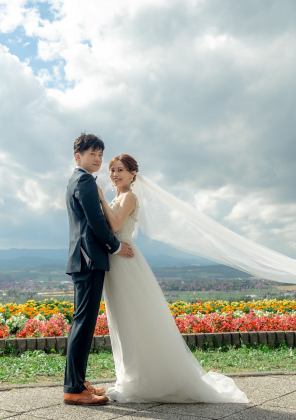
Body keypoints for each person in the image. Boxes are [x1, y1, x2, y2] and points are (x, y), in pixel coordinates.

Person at [96, 154, 248, 403]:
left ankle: (147, 380)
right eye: (112, 170)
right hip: (116, 264)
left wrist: (100, 198)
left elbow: (114, 226)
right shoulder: (117, 197)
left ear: (133, 174)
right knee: (123, 324)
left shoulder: (129, 197)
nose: (114, 174)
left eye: (120, 170)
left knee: (134, 321)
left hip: (126, 265)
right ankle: (131, 376)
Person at [63, 133, 134, 406]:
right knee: (83, 324)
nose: (97, 159)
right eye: (92, 153)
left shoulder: (79, 181)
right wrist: (115, 247)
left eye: (100, 154)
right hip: (89, 259)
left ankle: (77, 383)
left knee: (82, 323)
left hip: (84, 259)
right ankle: (73, 389)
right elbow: (95, 221)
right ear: (78, 156)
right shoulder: (83, 181)